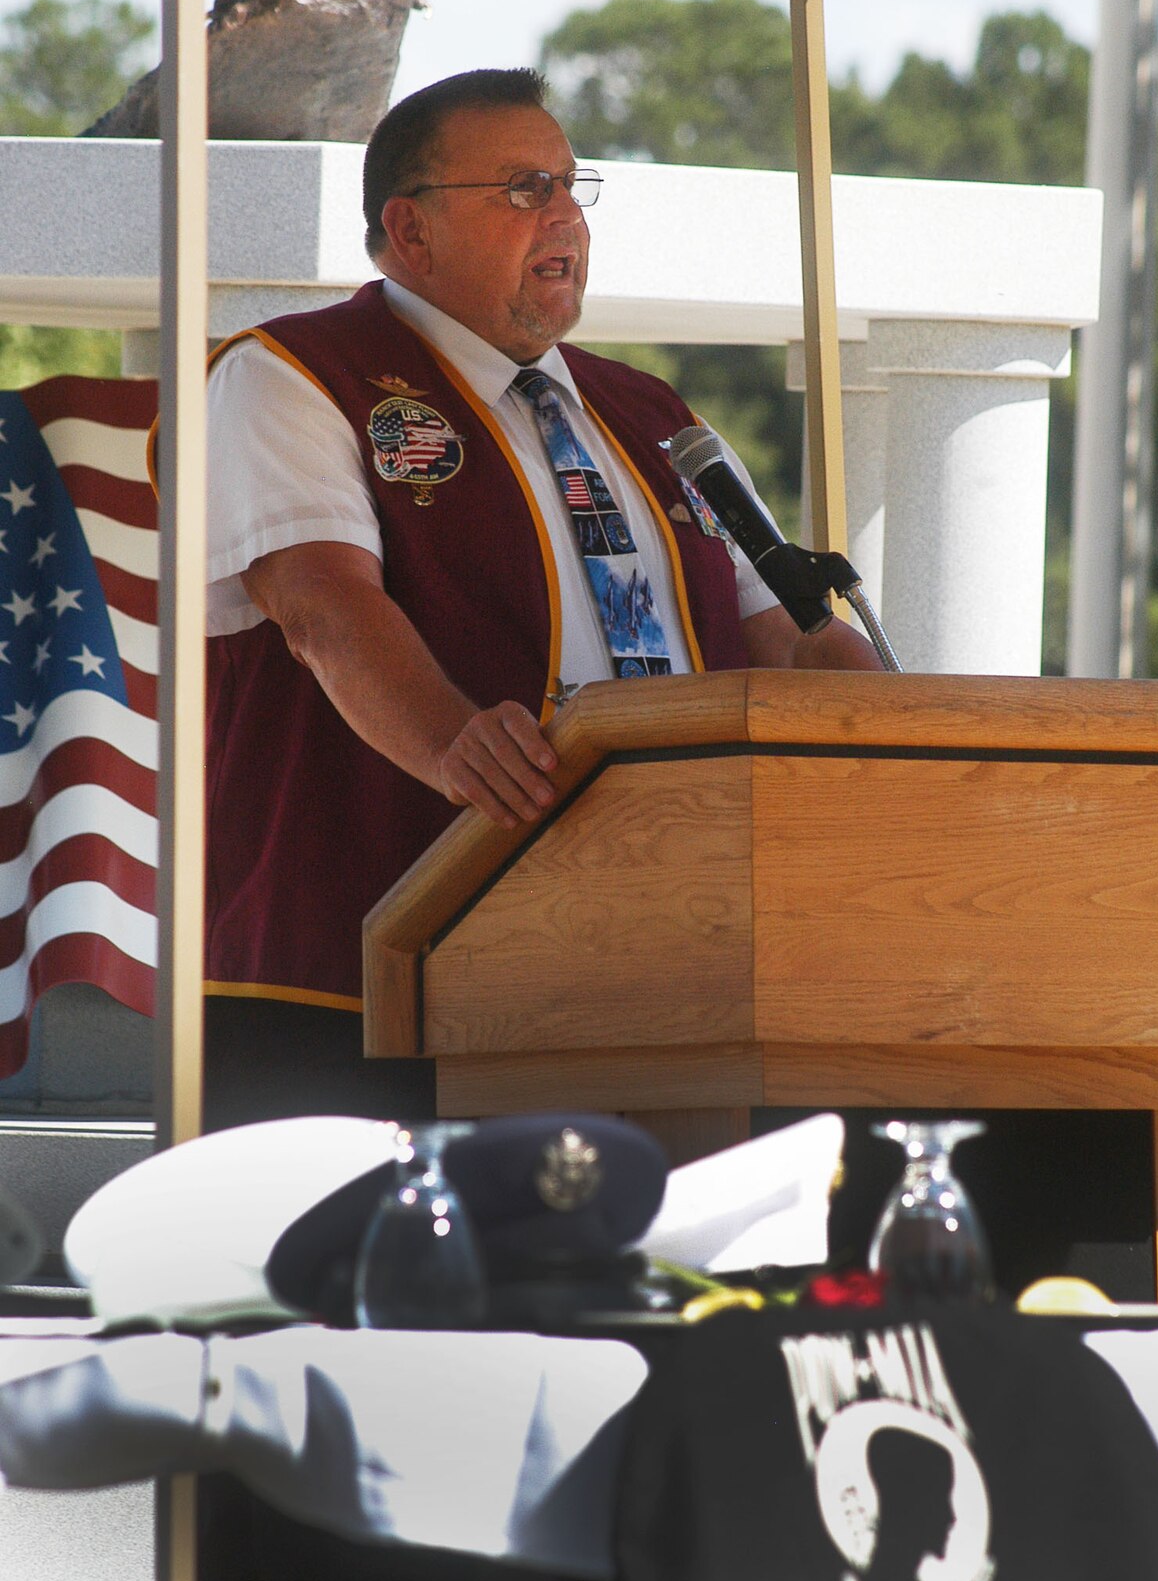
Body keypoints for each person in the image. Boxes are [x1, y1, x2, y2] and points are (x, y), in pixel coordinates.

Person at [204, 66, 881, 1128]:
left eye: (571, 186)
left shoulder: (651, 412)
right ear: (410, 226)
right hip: (379, 967)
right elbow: (321, 606)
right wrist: (452, 745)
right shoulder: (293, 372)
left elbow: (784, 645)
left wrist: (904, 738)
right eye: (523, 188)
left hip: (654, 961)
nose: (564, 214)